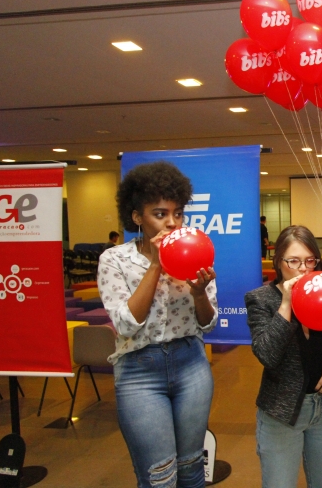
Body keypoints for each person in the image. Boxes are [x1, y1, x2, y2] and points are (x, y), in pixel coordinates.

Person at [98, 161, 218, 488]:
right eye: (160, 214)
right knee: (159, 477)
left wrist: (199, 294)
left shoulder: (195, 253)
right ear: (137, 217)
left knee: (192, 467)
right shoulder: (114, 260)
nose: (172, 222)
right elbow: (126, 323)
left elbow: (208, 324)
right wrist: (156, 264)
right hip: (139, 372)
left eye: (177, 213)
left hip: (190, 363)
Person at [244, 225, 322, 488]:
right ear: (279, 262)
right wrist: (288, 304)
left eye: (309, 261)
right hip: (282, 413)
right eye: (293, 261)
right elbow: (267, 354)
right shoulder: (261, 299)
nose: (303, 269)